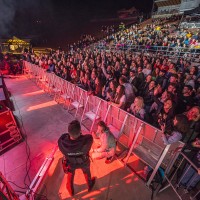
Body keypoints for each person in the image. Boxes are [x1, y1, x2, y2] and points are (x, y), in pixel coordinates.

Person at [58, 120, 95, 196]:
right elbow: (89, 136)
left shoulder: (62, 142)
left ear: (68, 132)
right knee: (87, 172)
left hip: (71, 163)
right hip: (84, 162)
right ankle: (90, 185)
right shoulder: (87, 140)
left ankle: (70, 190)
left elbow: (63, 136)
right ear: (80, 131)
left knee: (70, 173)